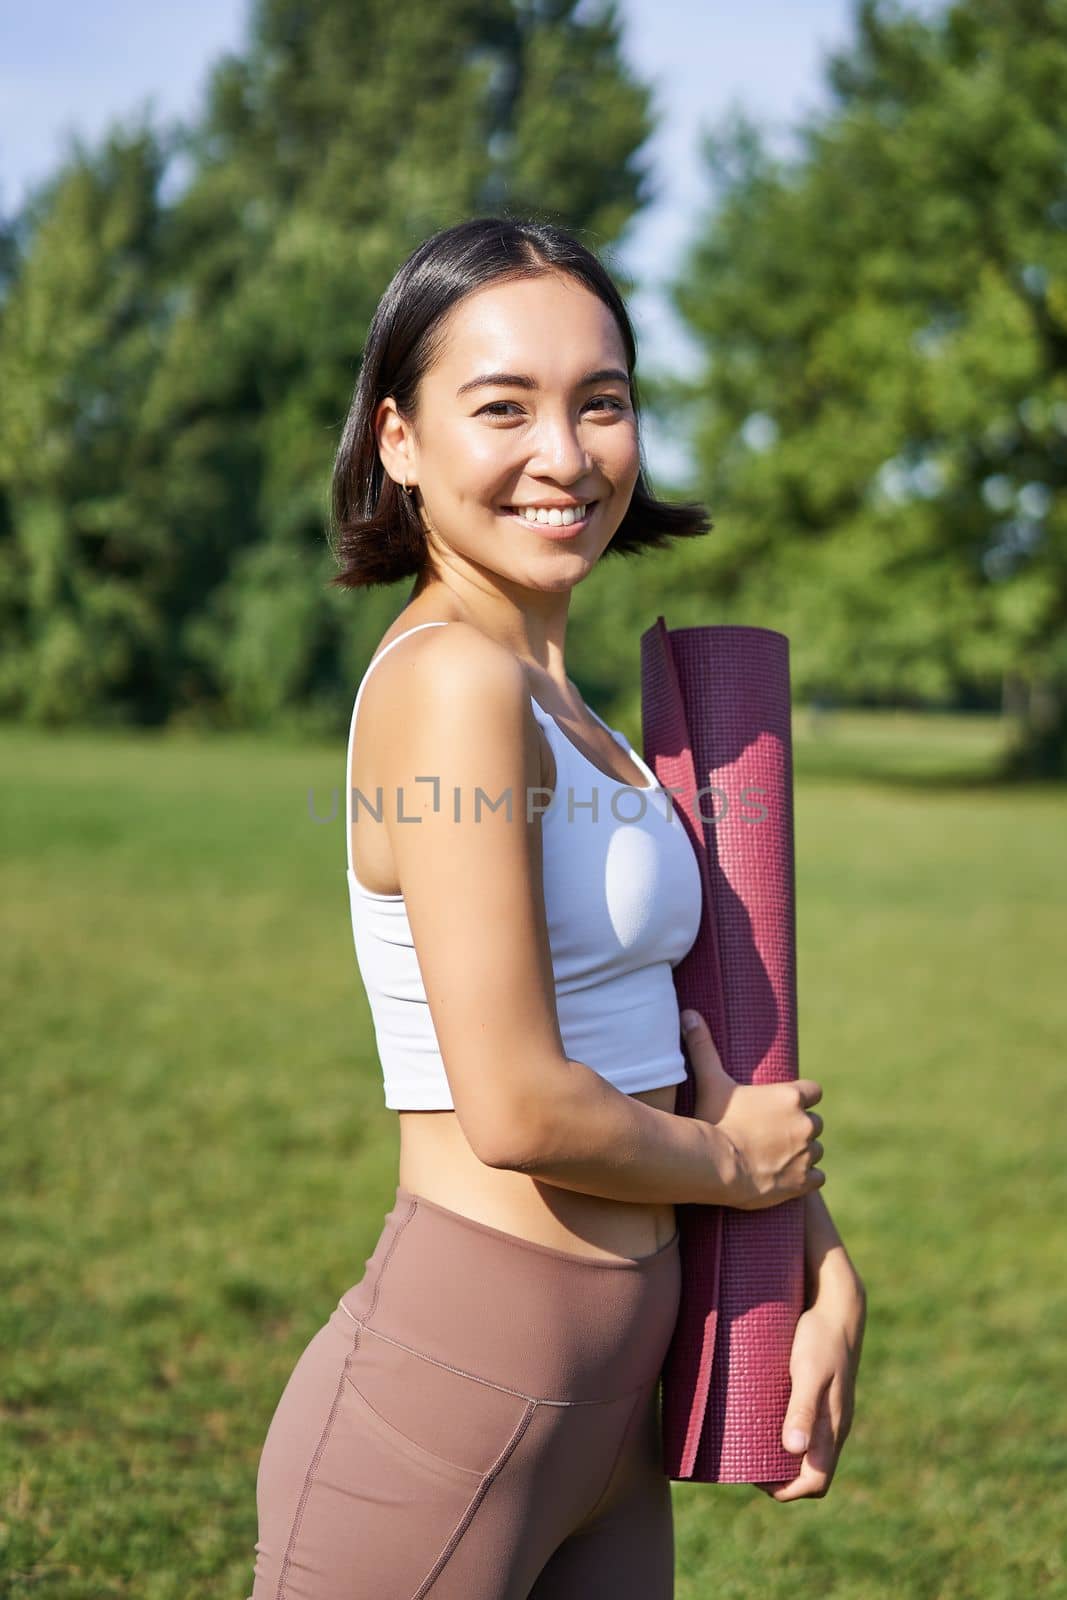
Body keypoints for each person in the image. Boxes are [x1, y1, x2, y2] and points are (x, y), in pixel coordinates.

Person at [247, 216, 866, 1600]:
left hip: (606, 1414)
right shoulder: (451, 684)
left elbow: (670, 1049)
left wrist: (813, 1253)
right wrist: (742, 1176)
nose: (566, 454)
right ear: (398, 439)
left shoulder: (571, 709)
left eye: (603, 401)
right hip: (458, 1393)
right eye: (502, 407)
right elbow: (520, 1105)